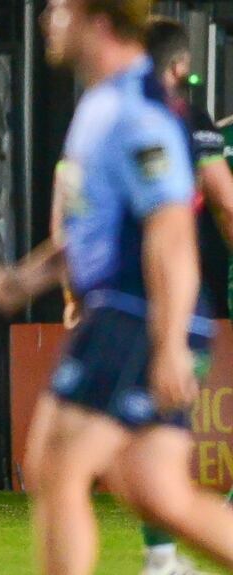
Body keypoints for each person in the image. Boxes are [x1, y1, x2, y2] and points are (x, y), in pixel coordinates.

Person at [0, 1, 233, 572]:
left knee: (55, 465)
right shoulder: (101, 104)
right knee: (156, 492)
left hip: (138, 310)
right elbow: (98, 226)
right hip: (135, 306)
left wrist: (167, 342)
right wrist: (31, 277)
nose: (47, 18)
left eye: (60, 9)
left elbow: (170, 231)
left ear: (97, 20)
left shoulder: (139, 112)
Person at [137, 16, 233, 575]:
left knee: (72, 453)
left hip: (118, 294)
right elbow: (224, 204)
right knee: (155, 426)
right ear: (181, 67)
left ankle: (162, 555)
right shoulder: (190, 121)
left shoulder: (102, 116)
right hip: (175, 291)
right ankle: (165, 555)